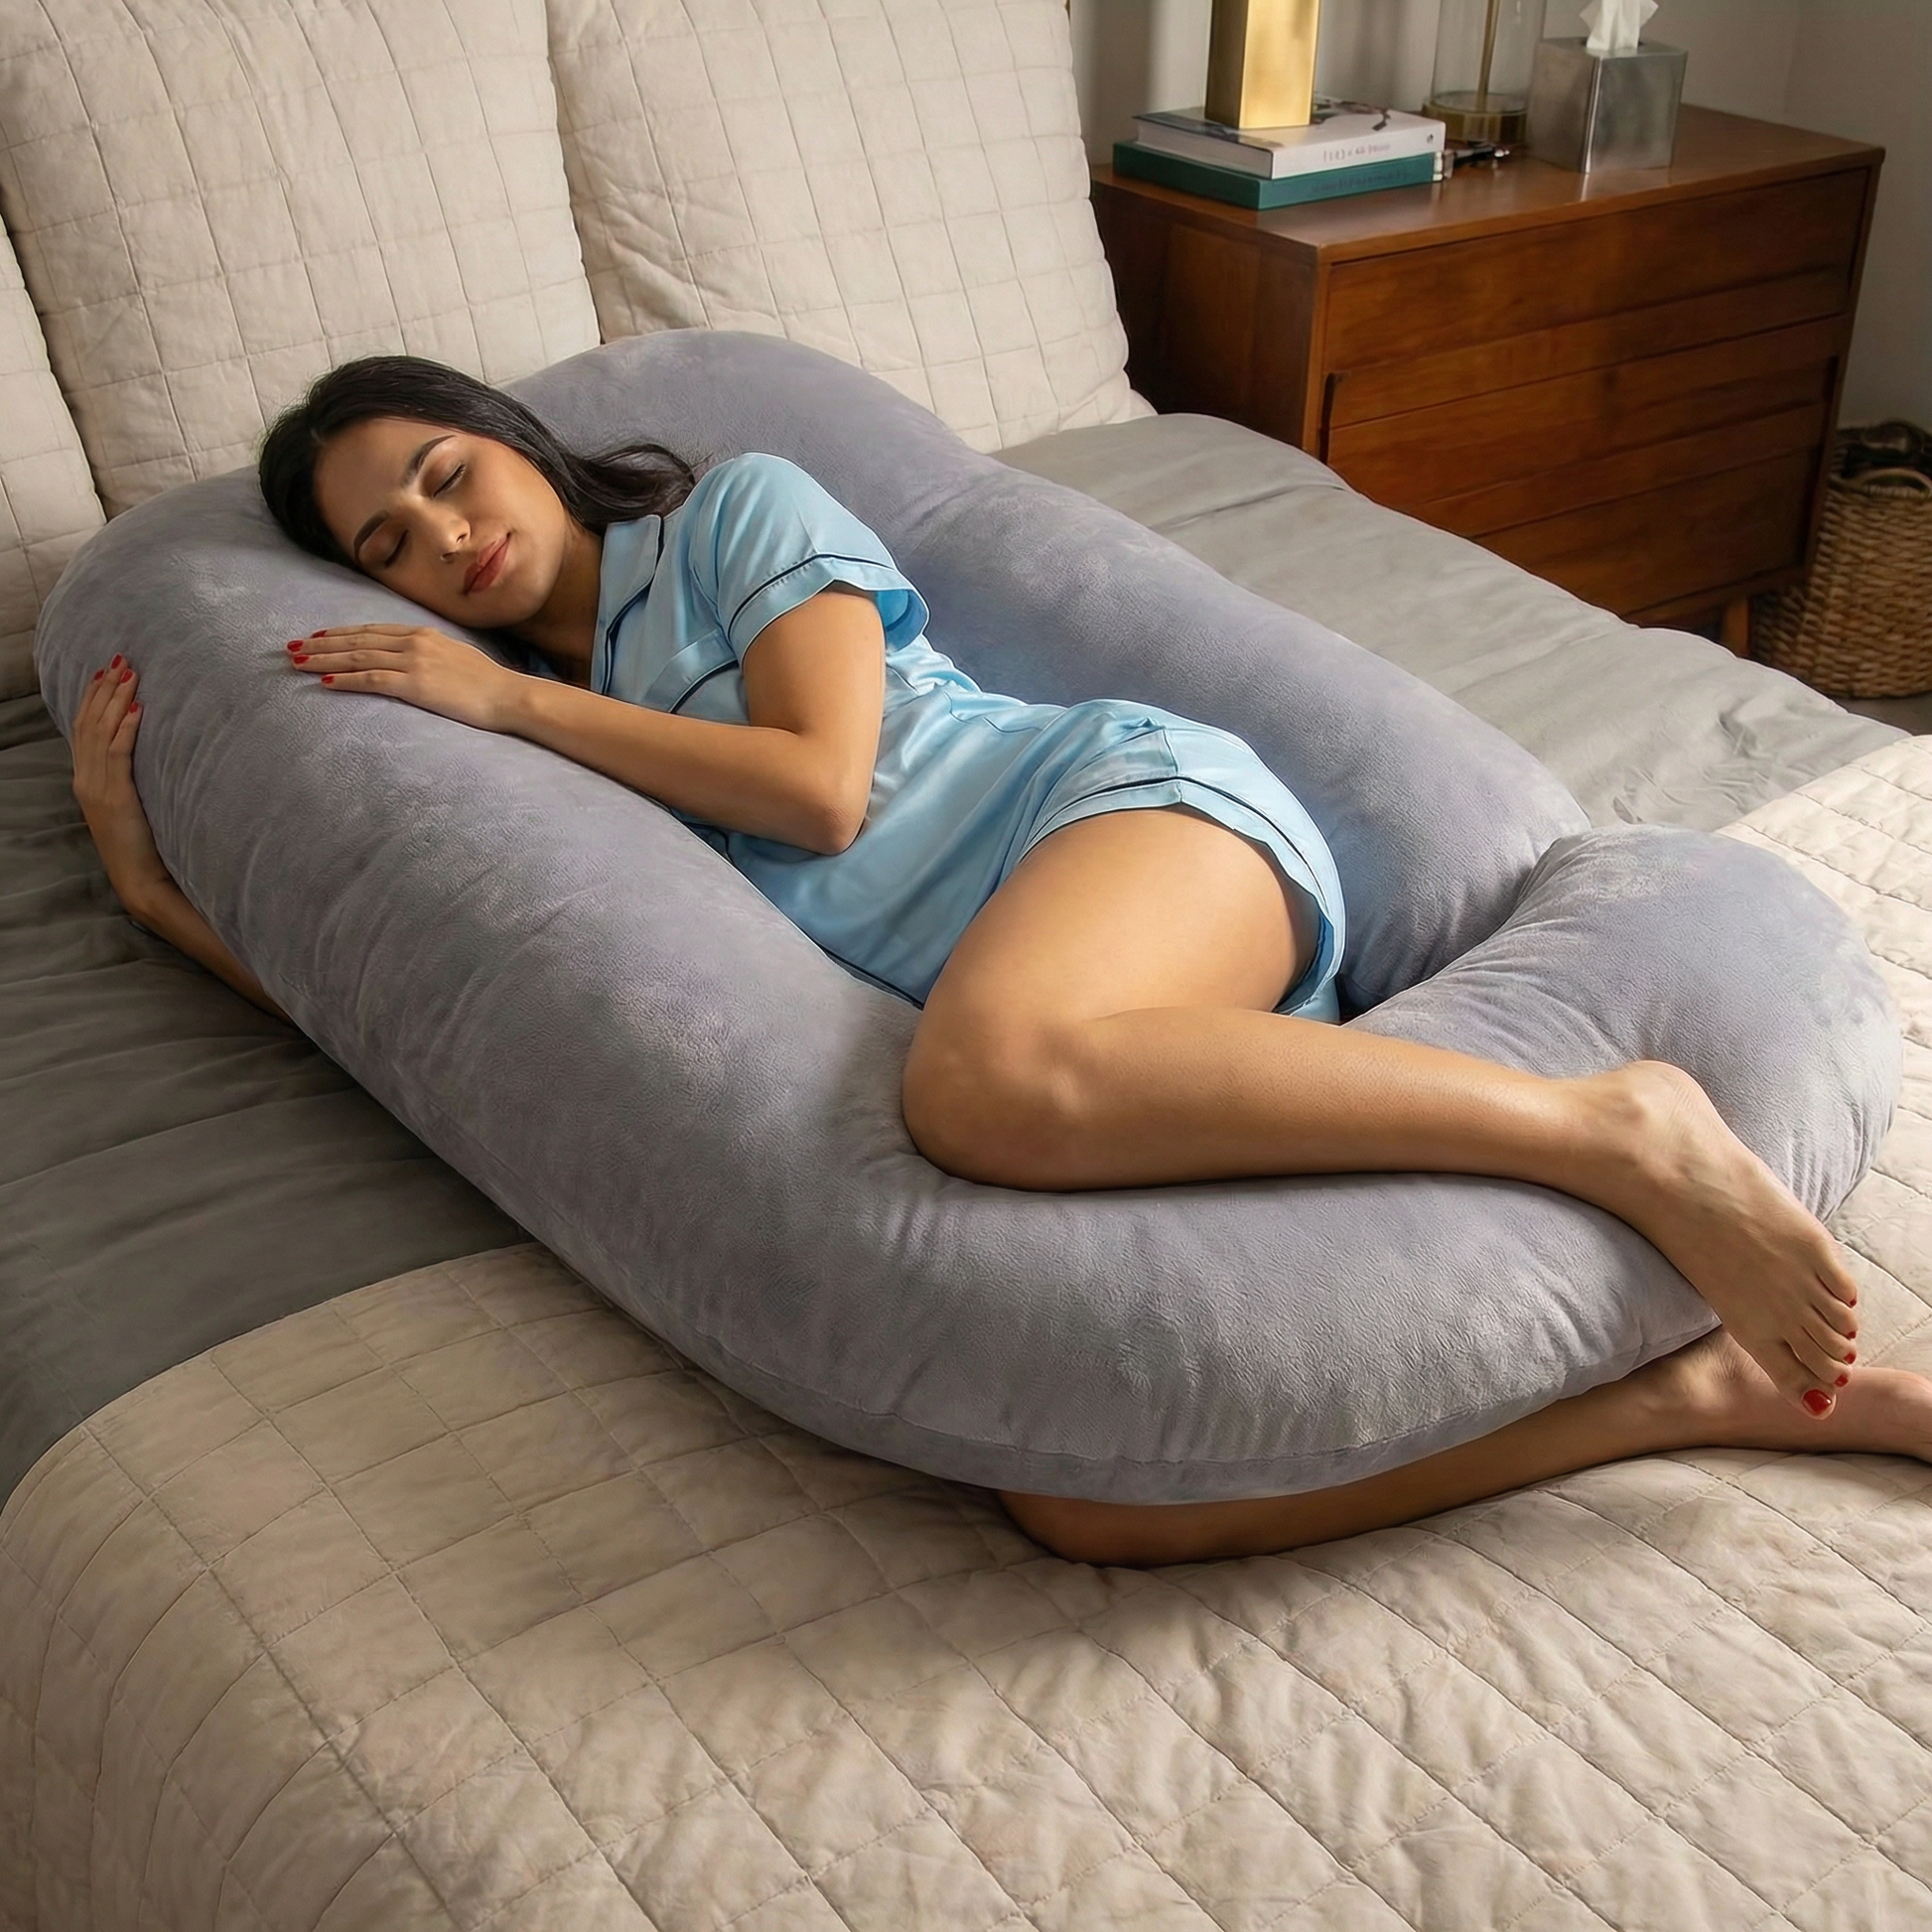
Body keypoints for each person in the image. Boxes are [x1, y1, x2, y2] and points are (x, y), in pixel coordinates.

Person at [68, 356, 1923, 1569]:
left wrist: (506, 710)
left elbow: (818, 784)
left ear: (516, 444)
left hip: (1121, 827)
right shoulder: (533, 729)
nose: (447, 539)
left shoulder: (732, 514)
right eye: (389, 546)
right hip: (1090, 1038)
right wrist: (160, 898)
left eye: (450, 476)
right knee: (1079, 1497)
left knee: (975, 1077)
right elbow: (449, 1013)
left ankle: (1618, 1124)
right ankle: (1686, 1402)